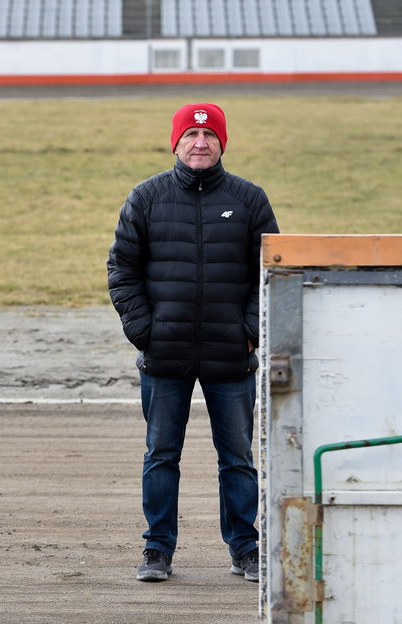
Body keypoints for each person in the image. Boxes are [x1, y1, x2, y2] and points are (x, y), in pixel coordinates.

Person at [106, 103, 279, 583]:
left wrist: (250, 333)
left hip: (231, 354)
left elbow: (271, 272)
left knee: (238, 458)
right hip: (166, 353)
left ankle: (246, 549)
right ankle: (157, 550)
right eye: (191, 134)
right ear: (176, 142)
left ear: (222, 142)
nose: (199, 142)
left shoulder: (249, 199)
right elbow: (122, 269)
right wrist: (145, 331)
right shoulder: (146, 197)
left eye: (209, 134)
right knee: (161, 454)